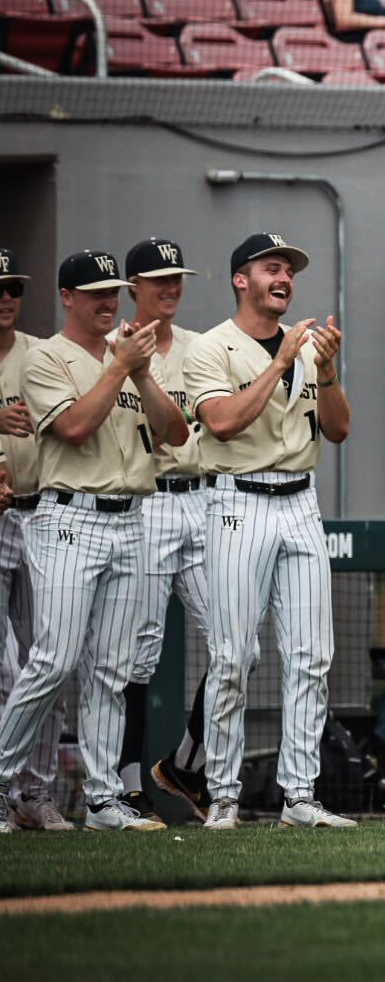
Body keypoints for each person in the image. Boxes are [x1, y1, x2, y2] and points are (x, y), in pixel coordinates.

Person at [0, 248, 187, 833]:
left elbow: (176, 433)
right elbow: (75, 429)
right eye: (96, 292)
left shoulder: (128, 357)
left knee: (111, 668)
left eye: (114, 290)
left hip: (131, 516)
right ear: (67, 298)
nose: (109, 301)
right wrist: (118, 368)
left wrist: (139, 371)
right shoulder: (44, 358)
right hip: (68, 518)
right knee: (52, 661)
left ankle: (105, 799)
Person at [184, 233, 353, 830]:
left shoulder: (309, 348)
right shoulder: (211, 347)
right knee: (232, 657)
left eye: (289, 270)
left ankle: (300, 794)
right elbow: (222, 423)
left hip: (300, 502)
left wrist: (325, 371)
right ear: (241, 279)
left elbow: (337, 430)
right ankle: (224, 794)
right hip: (237, 501)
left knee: (313, 655)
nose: (284, 277)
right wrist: (282, 361)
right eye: (271, 267)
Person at [105, 238, 213, 824]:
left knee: (233, 644)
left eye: (178, 277)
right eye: (158, 279)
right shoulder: (111, 349)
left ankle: (185, 765)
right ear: (133, 288)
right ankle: (125, 784)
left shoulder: (202, 348)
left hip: (200, 497)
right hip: (146, 504)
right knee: (134, 659)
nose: (170, 287)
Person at [0, 252, 72, 832]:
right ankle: (3, 789)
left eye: (13, 289)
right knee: (4, 666)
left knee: (51, 657)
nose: (6, 298)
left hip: (41, 512)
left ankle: (35, 791)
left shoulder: (40, 353)